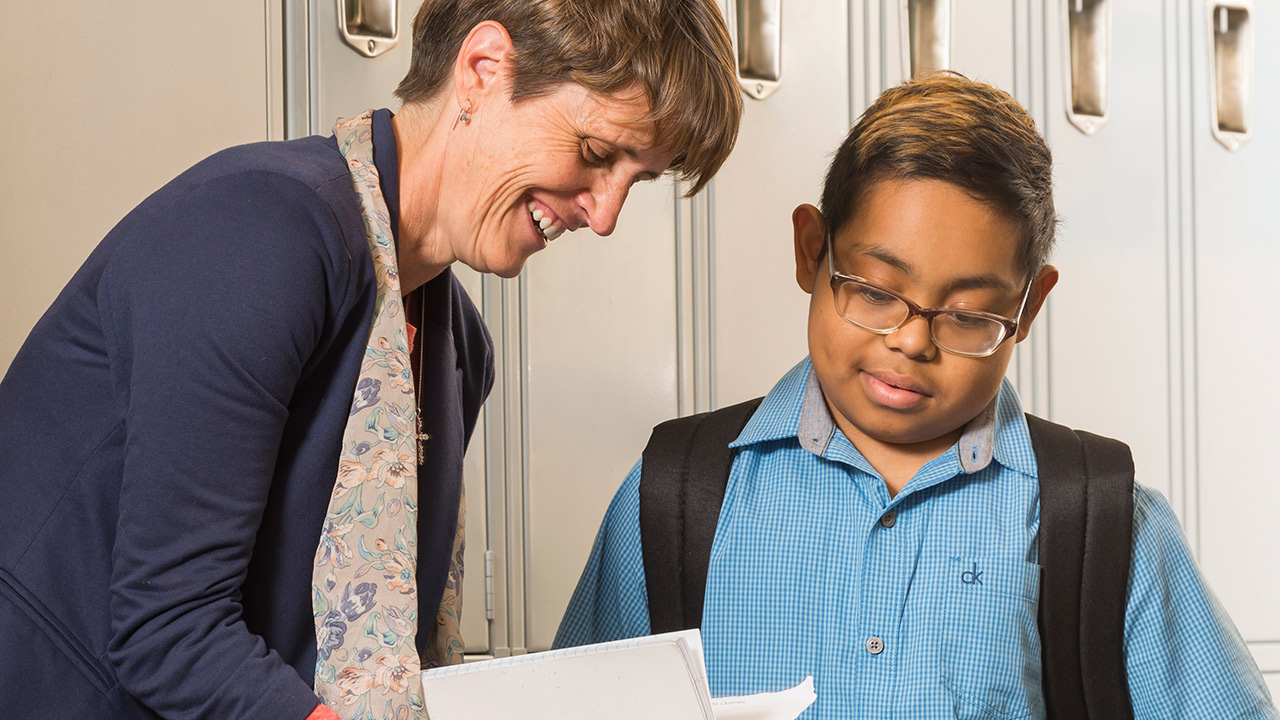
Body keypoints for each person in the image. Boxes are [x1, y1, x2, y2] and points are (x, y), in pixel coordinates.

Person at [0, 1, 741, 718]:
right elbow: (168, 630)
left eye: (636, 179)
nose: (605, 215)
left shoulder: (458, 353)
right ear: (483, 69)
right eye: (596, 154)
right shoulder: (259, 234)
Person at [554, 74, 1277, 719]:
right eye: (873, 291)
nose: (911, 341)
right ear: (812, 250)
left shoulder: (1102, 521)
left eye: (967, 316)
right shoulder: (676, 493)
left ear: (1027, 309)